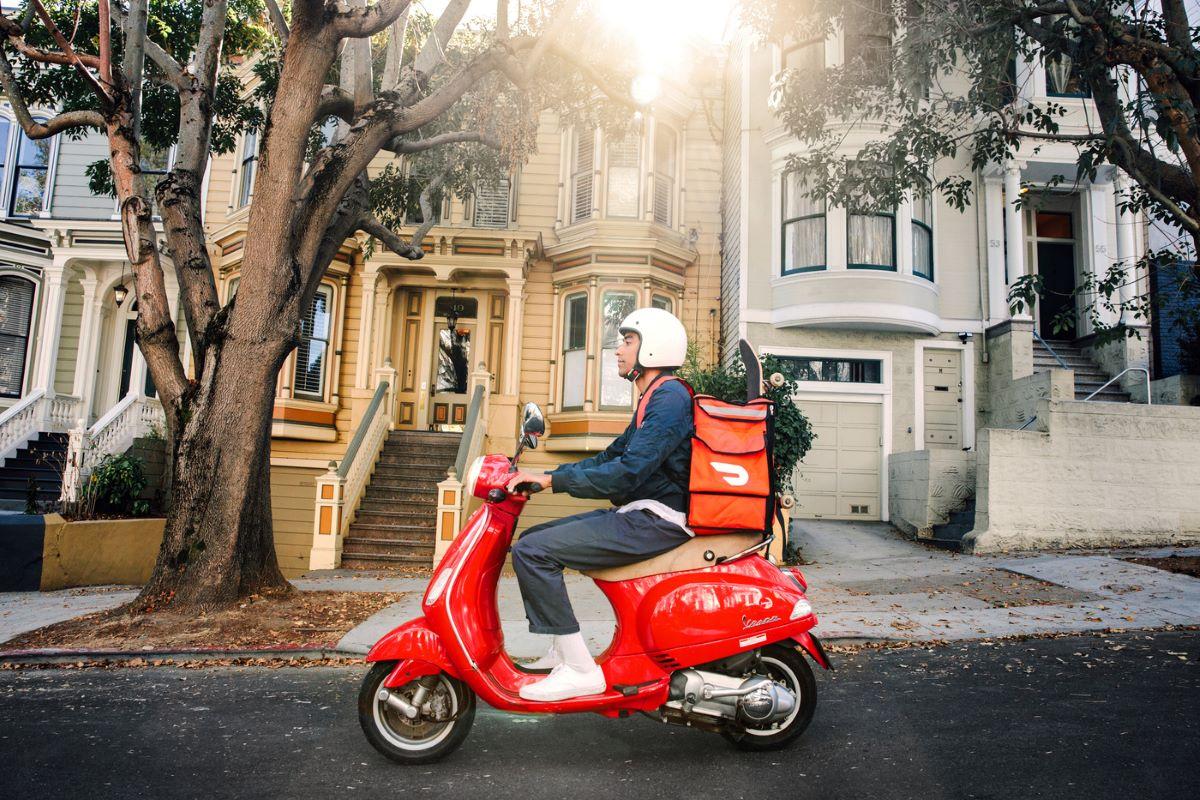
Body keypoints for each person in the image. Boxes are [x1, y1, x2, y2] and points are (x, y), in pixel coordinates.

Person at [504, 307, 694, 702]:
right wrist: (546, 476)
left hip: (658, 519)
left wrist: (554, 480)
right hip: (639, 513)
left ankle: (579, 669)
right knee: (534, 538)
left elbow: (628, 472)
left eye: (627, 341)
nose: (618, 350)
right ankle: (564, 652)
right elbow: (610, 457)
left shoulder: (671, 397)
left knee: (534, 551)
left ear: (653, 348)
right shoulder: (652, 398)